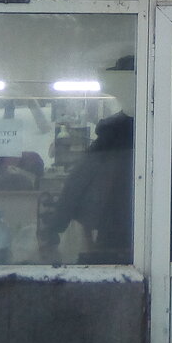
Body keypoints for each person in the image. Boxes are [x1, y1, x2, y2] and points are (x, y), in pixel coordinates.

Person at [43, 55, 134, 263]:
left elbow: (77, 182)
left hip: (113, 226)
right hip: (142, 226)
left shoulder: (112, 133)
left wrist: (55, 227)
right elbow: (78, 181)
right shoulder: (166, 126)